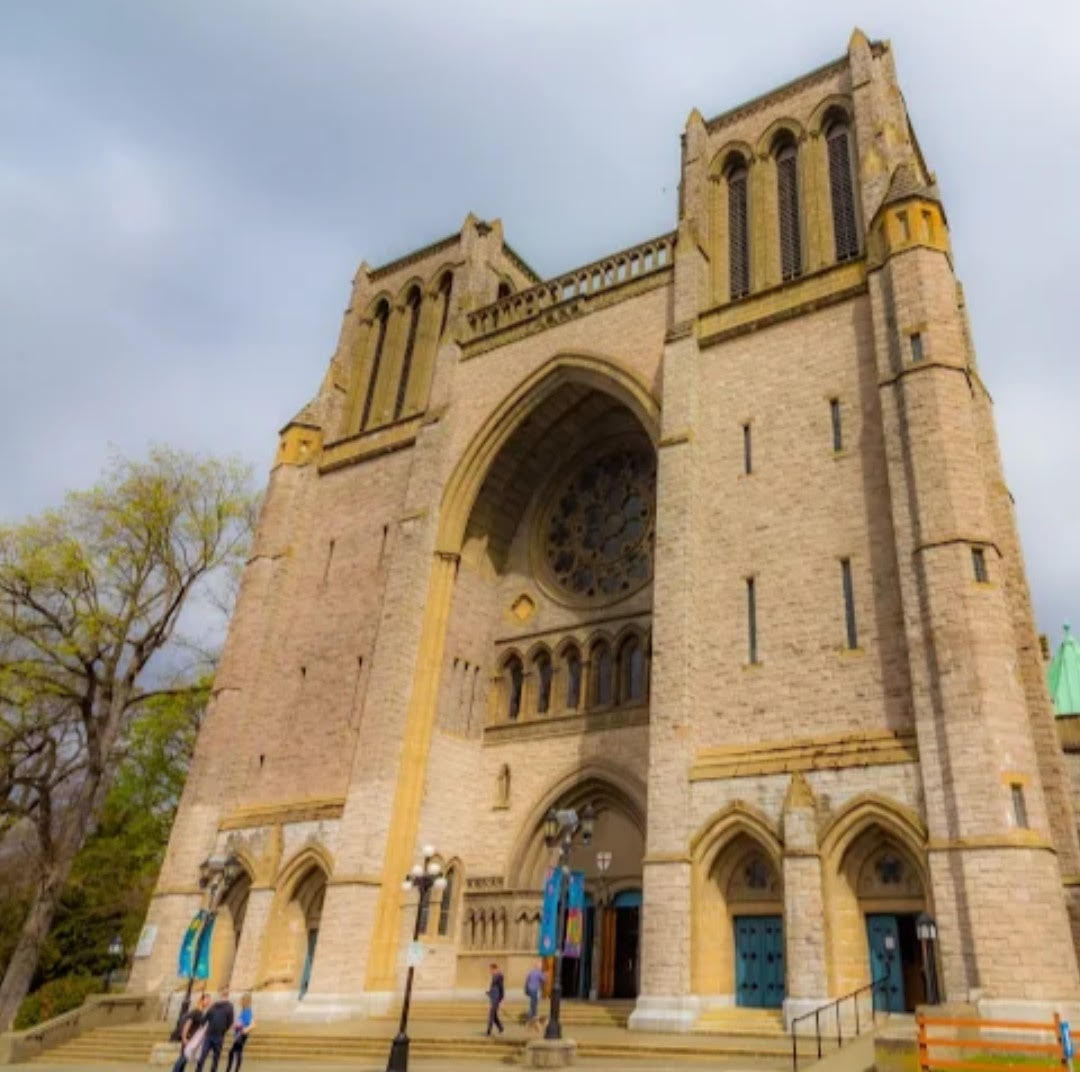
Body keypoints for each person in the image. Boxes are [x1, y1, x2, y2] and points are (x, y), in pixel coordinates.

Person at [195, 987, 235, 1072]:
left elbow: (205, 1018)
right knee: (214, 1057)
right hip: (217, 1035)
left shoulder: (215, 1005)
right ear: (227, 995)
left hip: (211, 1034)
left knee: (204, 1055)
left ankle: (198, 1070)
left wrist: (203, 1025)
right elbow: (230, 1021)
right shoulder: (228, 1006)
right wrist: (224, 1029)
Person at [172, 992, 210, 1072]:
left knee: (185, 1059)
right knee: (182, 1058)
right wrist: (184, 1037)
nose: (208, 1002)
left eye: (209, 1000)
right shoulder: (196, 1011)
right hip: (188, 1038)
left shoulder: (202, 1012)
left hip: (193, 1039)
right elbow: (188, 1024)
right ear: (201, 1000)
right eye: (207, 999)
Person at [225, 993, 253, 1072]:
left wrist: (237, 1025)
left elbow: (246, 1023)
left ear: (245, 1001)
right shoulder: (245, 1010)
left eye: (241, 1000)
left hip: (241, 1034)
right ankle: (233, 1069)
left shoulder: (247, 1011)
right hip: (240, 1034)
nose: (240, 1001)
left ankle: (230, 1069)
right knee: (236, 1052)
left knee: (234, 1052)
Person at [485, 962, 505, 1036]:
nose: (489, 971)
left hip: (496, 998)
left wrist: (501, 999)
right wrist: (489, 992)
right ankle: (500, 1028)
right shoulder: (494, 976)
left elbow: (501, 988)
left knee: (491, 1014)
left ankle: (488, 1031)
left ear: (495, 969)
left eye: (490, 969)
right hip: (493, 997)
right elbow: (494, 987)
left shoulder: (499, 976)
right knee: (494, 1015)